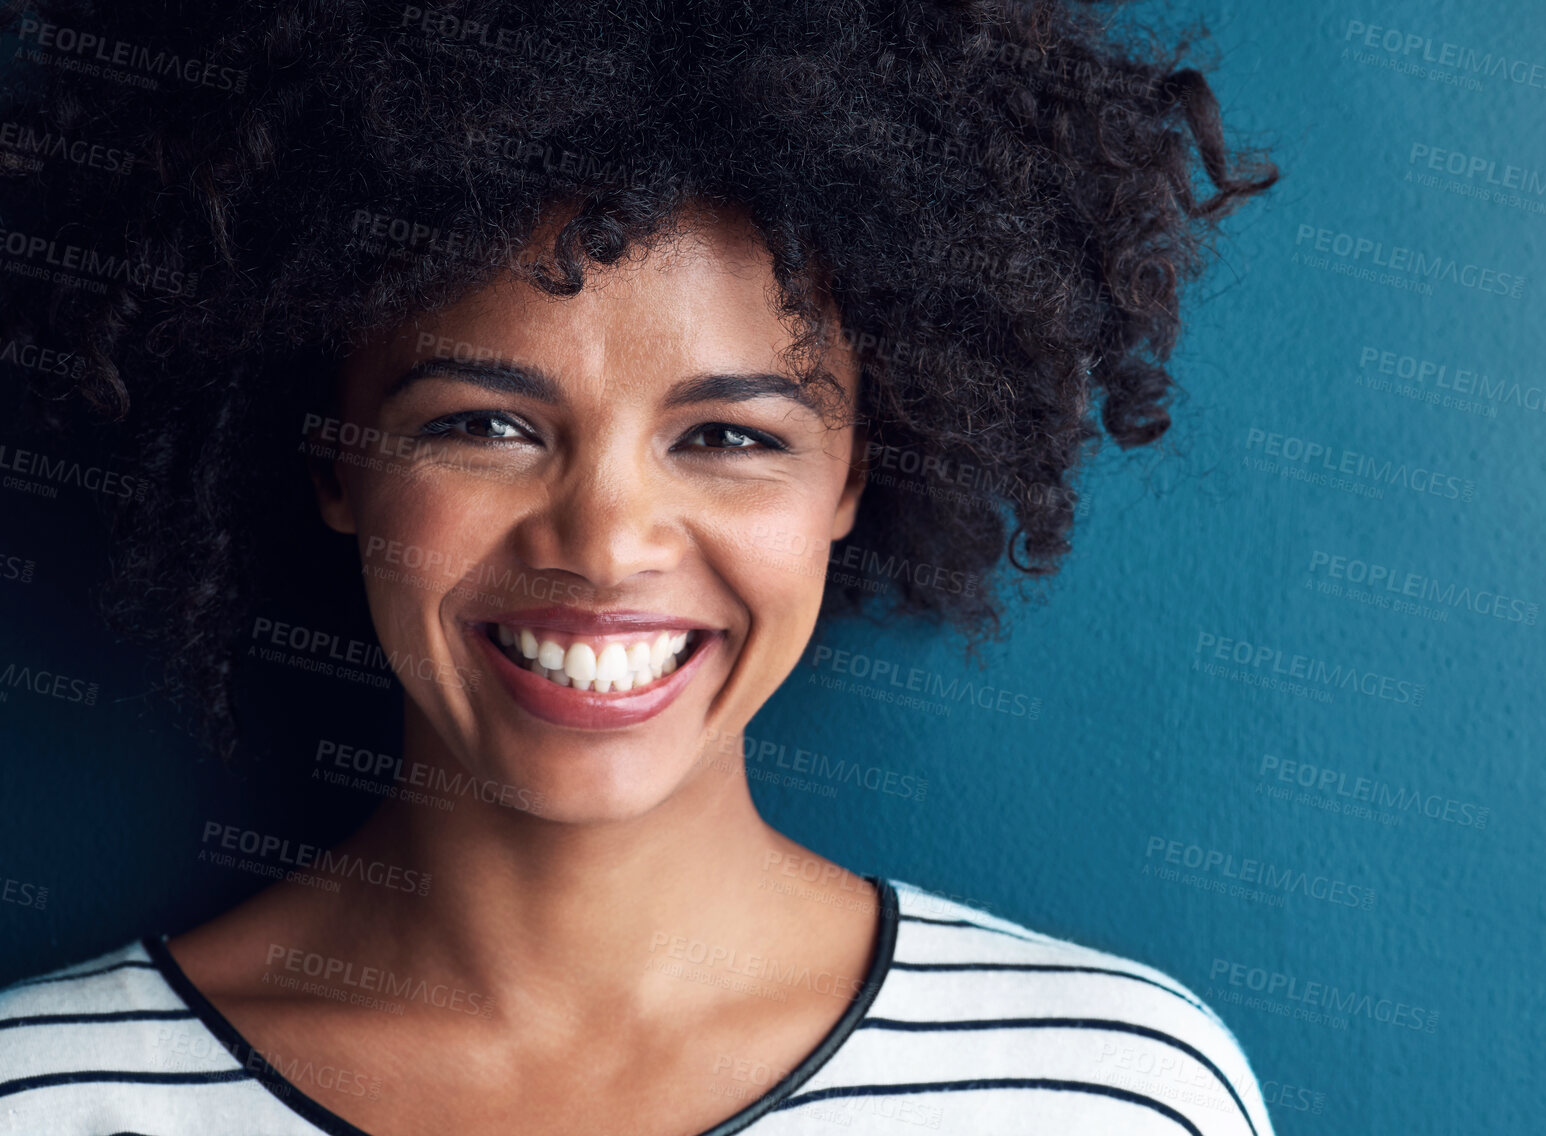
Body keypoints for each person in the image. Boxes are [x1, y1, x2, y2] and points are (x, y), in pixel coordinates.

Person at [0, 1, 1278, 1132]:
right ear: (336, 461)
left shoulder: (1109, 1090)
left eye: (728, 435)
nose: (606, 544)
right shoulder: (47, 1096)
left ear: (853, 475)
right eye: (483, 425)